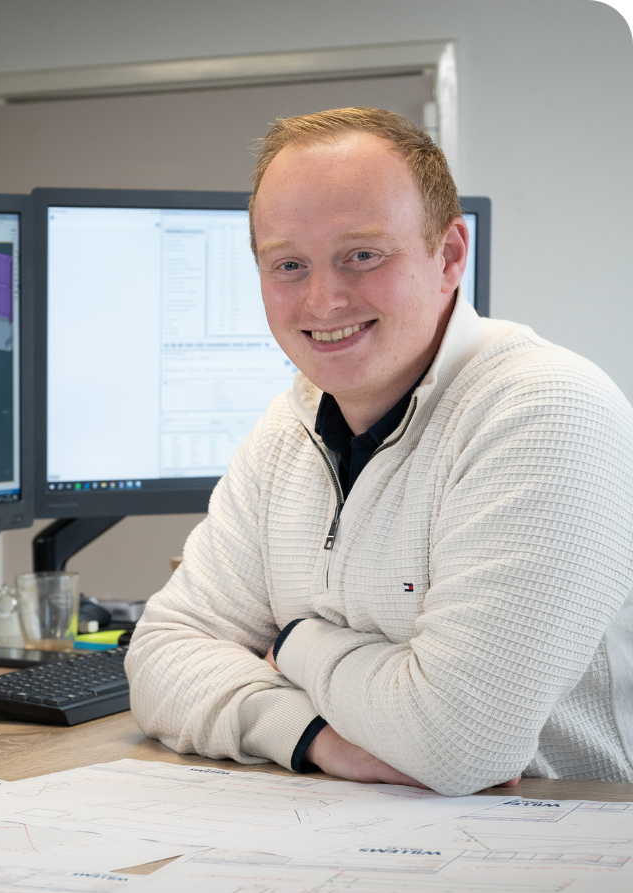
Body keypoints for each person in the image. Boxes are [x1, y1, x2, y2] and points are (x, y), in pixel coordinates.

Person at [126, 107, 633, 797]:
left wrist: (295, 643)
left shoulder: (545, 410)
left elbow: (460, 743)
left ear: (450, 255)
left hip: (553, 849)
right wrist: (314, 737)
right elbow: (160, 653)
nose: (324, 298)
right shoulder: (290, 426)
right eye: (288, 264)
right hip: (353, 842)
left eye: (361, 255)